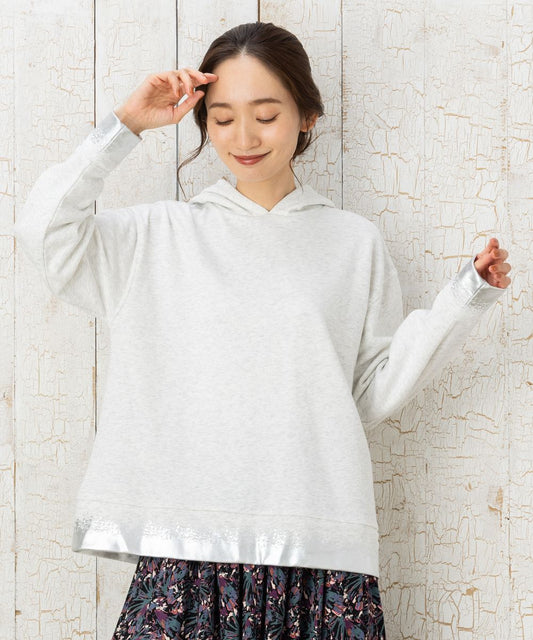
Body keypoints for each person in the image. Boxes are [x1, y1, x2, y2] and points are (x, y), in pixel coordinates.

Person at [13, 21, 511, 640]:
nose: (243, 137)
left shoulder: (352, 243)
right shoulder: (157, 237)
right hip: (186, 552)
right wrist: (126, 125)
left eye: (266, 115)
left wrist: (463, 299)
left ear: (307, 117)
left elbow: (367, 393)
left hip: (319, 552)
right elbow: (44, 234)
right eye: (222, 119)